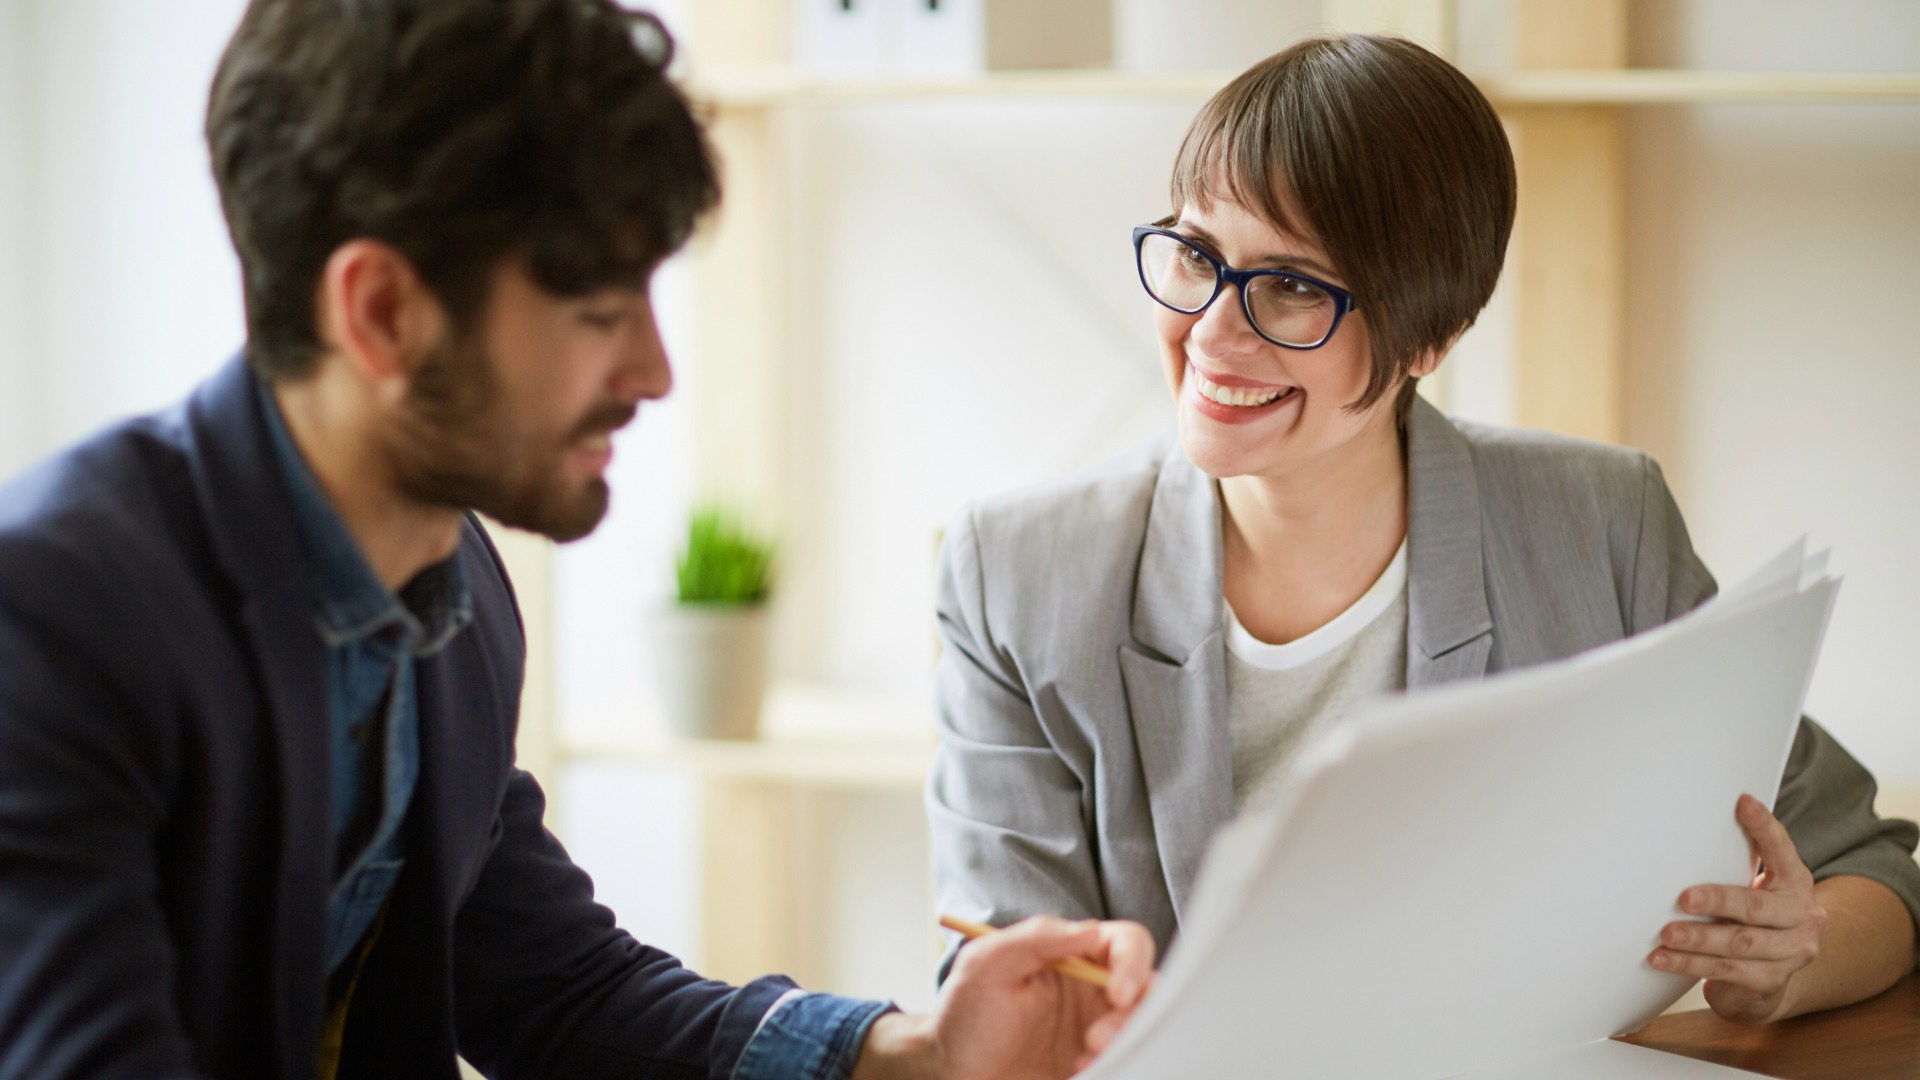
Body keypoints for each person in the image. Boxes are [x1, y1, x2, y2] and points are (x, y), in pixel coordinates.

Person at [0, 2, 1156, 1078]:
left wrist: (916, 1055)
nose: (654, 371)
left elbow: (556, 986)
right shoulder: (54, 614)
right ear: (382, 312)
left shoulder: (451, 597)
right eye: (600, 314)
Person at [926, 33, 1920, 1026]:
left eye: (1293, 286)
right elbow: (1007, 996)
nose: (1214, 333)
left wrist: (1791, 958)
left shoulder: (1598, 528)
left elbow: (1871, 868)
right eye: (1197, 256)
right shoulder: (1017, 576)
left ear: (1430, 338)